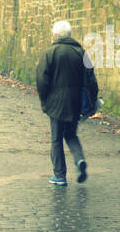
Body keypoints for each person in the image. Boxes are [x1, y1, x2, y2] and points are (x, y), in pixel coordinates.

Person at [35, 19, 99, 185]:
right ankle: (79, 160)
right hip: (75, 102)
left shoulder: (50, 52)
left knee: (56, 139)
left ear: (56, 35)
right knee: (70, 134)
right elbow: (91, 80)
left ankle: (60, 175)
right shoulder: (81, 53)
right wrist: (91, 103)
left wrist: (44, 99)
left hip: (55, 103)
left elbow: (42, 79)